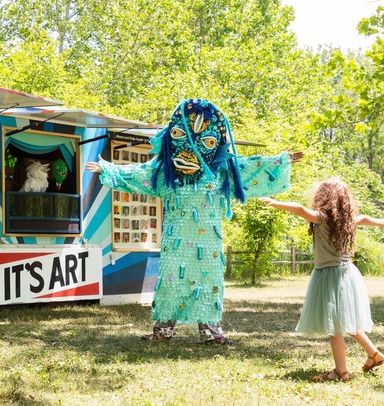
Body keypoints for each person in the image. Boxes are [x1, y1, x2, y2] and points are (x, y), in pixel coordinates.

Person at [86, 98, 303, 344]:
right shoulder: (164, 174)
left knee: (208, 284)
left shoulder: (221, 173)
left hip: (208, 245)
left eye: (207, 141)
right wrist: (107, 169)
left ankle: (211, 332)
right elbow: (137, 173)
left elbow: (249, 167)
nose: (191, 150)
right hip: (174, 245)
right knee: (170, 282)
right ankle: (163, 331)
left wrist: (280, 160)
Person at [258, 177, 384, 381]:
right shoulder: (347, 220)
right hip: (347, 274)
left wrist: (276, 203)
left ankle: (341, 372)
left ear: (323, 198)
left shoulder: (322, 218)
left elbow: (301, 209)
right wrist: (379, 222)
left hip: (330, 275)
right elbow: (362, 218)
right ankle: (374, 354)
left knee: (335, 325)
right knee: (344, 319)